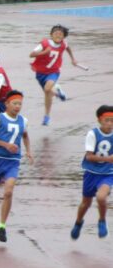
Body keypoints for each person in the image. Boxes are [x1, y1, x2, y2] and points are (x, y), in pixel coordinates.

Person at [0, 91, 34, 243]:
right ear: (7, 104)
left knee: (9, 191)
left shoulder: (23, 120)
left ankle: (2, 226)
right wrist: (5, 145)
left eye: (20, 104)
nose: (17, 107)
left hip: (13, 162)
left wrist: (29, 151)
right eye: (15, 103)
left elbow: (25, 135)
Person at [70, 105, 113, 240]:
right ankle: (78, 222)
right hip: (91, 173)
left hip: (108, 173)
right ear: (100, 120)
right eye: (107, 120)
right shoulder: (93, 134)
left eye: (112, 120)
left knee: (101, 197)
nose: (110, 123)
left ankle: (102, 221)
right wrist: (107, 159)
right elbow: (89, 156)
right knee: (86, 203)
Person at [28, 24, 79, 126]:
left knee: (47, 89)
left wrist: (73, 59)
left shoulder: (63, 44)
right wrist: (44, 52)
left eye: (61, 34)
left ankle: (46, 116)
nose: (58, 36)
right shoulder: (44, 44)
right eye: (56, 34)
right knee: (48, 93)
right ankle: (58, 94)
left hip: (54, 72)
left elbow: (68, 48)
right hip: (40, 73)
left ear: (63, 37)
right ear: (51, 35)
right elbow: (31, 54)